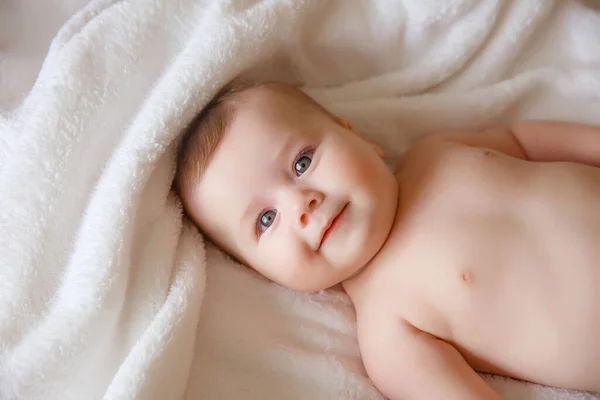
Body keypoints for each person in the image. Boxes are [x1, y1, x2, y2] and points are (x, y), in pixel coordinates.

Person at [174, 80, 600, 399]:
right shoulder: (389, 331)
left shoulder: (435, 151)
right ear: (261, 272)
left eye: (302, 162)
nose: (302, 203)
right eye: (266, 219)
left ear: (356, 135)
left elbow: (520, 140)